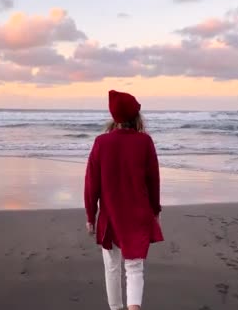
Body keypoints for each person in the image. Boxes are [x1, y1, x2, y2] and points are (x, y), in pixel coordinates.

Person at [84, 90, 163, 310]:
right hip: (138, 213)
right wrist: (155, 211)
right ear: (135, 116)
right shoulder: (145, 142)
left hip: (110, 215)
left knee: (112, 267)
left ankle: (116, 308)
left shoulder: (101, 143)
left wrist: (91, 216)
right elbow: (153, 181)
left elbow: (92, 184)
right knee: (135, 267)